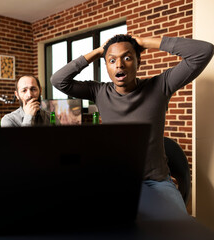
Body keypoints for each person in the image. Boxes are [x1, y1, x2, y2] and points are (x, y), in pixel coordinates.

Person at [51, 34, 214, 213]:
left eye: (127, 58)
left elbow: (203, 52)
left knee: (178, 229)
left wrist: (144, 42)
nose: (119, 65)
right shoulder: (98, 91)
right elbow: (58, 80)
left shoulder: (160, 86)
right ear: (106, 66)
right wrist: (99, 51)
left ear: (139, 62)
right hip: (116, 179)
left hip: (157, 182)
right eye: (111, 61)